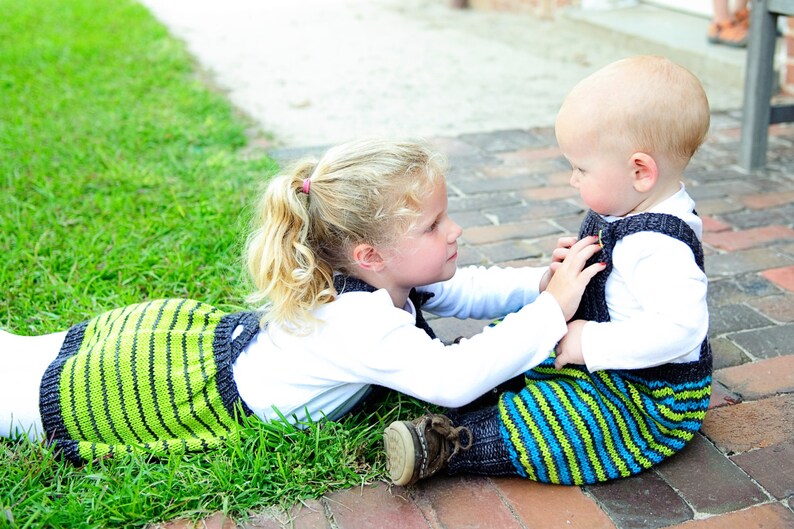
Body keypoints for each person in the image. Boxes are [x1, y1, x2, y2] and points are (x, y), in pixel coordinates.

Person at [0, 138, 604, 464]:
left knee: (26, 352)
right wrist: (551, 311)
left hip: (198, 342)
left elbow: (466, 288)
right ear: (369, 255)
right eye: (434, 224)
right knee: (18, 395)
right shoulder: (361, 322)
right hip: (173, 388)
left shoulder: (372, 275)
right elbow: (453, 381)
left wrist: (539, 283)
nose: (454, 232)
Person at [383, 55, 713, 487]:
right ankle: (482, 385)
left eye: (581, 168)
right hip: (594, 357)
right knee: (523, 334)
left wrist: (591, 339)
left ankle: (459, 442)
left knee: (569, 424)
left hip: (645, 396)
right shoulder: (627, 208)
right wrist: (575, 268)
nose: (573, 180)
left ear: (640, 171)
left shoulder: (659, 247)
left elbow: (680, 331)